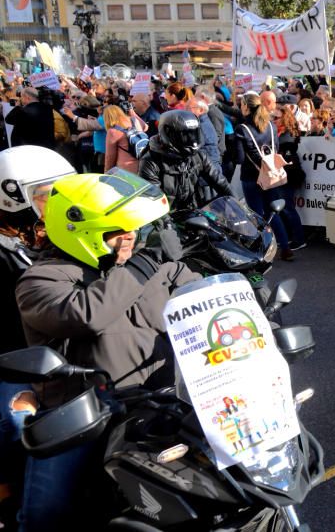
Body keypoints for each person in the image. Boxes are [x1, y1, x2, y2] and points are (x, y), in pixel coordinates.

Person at [14, 169, 198, 530]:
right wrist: (142, 265)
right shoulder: (41, 280)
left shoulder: (153, 267)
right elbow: (87, 315)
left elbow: (203, 297)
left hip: (164, 405)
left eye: (134, 228)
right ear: (82, 231)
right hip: (87, 419)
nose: (132, 237)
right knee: (45, 515)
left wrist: (253, 316)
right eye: (120, 230)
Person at [0, 146, 75, 519]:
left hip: (60, 357)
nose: (55, 204)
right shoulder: (7, 253)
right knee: (19, 419)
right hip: (14, 363)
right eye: (45, 196)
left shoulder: (56, 238)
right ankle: (12, 496)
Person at [235, 93, 294, 261]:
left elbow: (239, 158)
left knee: (257, 215)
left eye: (241, 104)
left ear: (246, 107)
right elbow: (274, 150)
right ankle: (285, 247)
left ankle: (262, 250)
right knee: (272, 211)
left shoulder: (242, 129)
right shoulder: (270, 125)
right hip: (270, 174)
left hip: (251, 177)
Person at [139, 110, 232, 212]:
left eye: (193, 134)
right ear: (169, 134)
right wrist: (168, 224)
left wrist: (236, 205)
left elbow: (220, 182)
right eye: (185, 135)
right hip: (168, 216)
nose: (191, 139)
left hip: (193, 211)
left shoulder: (198, 155)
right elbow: (153, 200)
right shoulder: (151, 162)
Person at [275, 106, 307, 251]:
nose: (273, 120)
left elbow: (287, 157)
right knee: (282, 208)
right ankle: (288, 237)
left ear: (284, 118)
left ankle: (299, 239)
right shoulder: (278, 132)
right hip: (279, 175)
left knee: (287, 208)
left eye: (276, 118)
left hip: (288, 175)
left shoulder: (288, 135)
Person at [102, 104, 145, 174]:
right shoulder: (134, 120)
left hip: (126, 170)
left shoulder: (113, 131)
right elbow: (145, 127)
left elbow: (110, 157)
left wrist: (107, 173)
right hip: (143, 164)